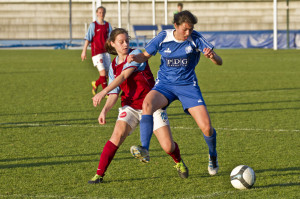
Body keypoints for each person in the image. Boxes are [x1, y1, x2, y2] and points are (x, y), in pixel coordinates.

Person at [127, 10, 223, 176]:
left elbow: (219, 62)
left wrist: (212, 56)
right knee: (147, 104)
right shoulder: (163, 37)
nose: (188, 33)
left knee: (207, 128)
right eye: (185, 29)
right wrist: (135, 59)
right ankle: (145, 148)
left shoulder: (196, 38)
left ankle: (212, 155)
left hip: (188, 87)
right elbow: (145, 56)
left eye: (191, 29)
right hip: (165, 85)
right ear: (176, 26)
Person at [88, 28, 188, 184]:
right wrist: (104, 110)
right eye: (121, 42)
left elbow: (124, 76)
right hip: (130, 106)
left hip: (152, 104)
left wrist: (102, 91)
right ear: (113, 44)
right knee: (117, 135)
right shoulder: (113, 65)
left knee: (168, 146)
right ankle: (99, 175)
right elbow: (114, 94)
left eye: (127, 40)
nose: (125, 44)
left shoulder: (136, 55)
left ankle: (178, 161)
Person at [81, 6, 112, 96]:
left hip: (106, 52)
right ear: (97, 13)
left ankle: (96, 83)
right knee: (102, 73)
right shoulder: (93, 25)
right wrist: (84, 51)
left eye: (103, 12)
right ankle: (106, 94)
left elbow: (111, 38)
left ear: (104, 14)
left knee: (105, 76)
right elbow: (88, 38)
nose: (101, 14)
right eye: (100, 12)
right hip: (97, 53)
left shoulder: (107, 25)